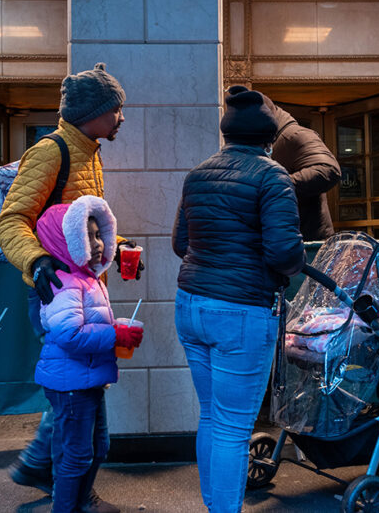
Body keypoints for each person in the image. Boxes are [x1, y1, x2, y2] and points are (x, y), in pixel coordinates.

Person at [0, 63, 136, 513]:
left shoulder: (89, 150)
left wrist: (116, 248)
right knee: (78, 392)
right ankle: (66, 487)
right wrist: (36, 261)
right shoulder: (51, 151)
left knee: (81, 391)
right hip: (58, 292)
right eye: (116, 110)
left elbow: (84, 222)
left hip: (83, 286)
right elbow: (11, 220)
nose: (121, 118)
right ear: (93, 112)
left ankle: (54, 473)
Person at [171, 88, 306, 512]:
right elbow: (284, 255)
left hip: (191, 305)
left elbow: (180, 243)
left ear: (228, 134)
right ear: (268, 138)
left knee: (212, 416)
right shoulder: (271, 176)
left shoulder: (198, 174)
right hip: (241, 312)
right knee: (232, 427)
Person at [33, 195, 143, 513]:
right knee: (76, 454)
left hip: (86, 377)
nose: (96, 243)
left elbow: (89, 323)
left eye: (98, 235)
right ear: (66, 239)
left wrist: (118, 328)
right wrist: (116, 334)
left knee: (99, 446)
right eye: (87, 236)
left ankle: (81, 502)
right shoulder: (65, 283)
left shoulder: (87, 278)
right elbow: (69, 334)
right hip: (71, 383)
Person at [225, 85, 340, 241]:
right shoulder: (264, 141)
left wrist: (274, 186)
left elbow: (328, 170)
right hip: (281, 240)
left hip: (306, 241)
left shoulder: (295, 135)